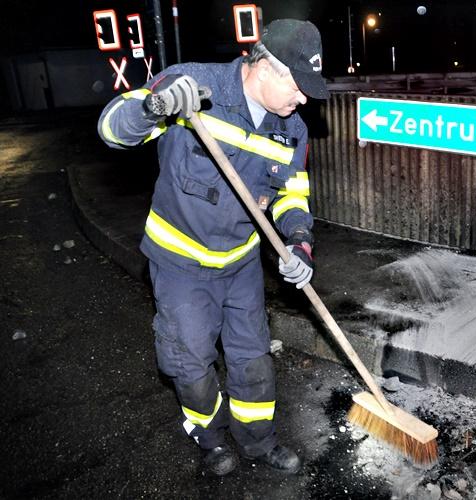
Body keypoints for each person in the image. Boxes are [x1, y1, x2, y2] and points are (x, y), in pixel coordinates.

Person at [97, 19, 330, 476]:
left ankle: (259, 441)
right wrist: (154, 107)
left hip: (241, 264)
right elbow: (111, 129)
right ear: (265, 67)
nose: (303, 99)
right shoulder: (191, 86)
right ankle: (211, 438)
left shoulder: (292, 129)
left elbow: (291, 196)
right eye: (297, 85)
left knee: (253, 359)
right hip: (180, 265)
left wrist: (300, 243)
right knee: (190, 363)